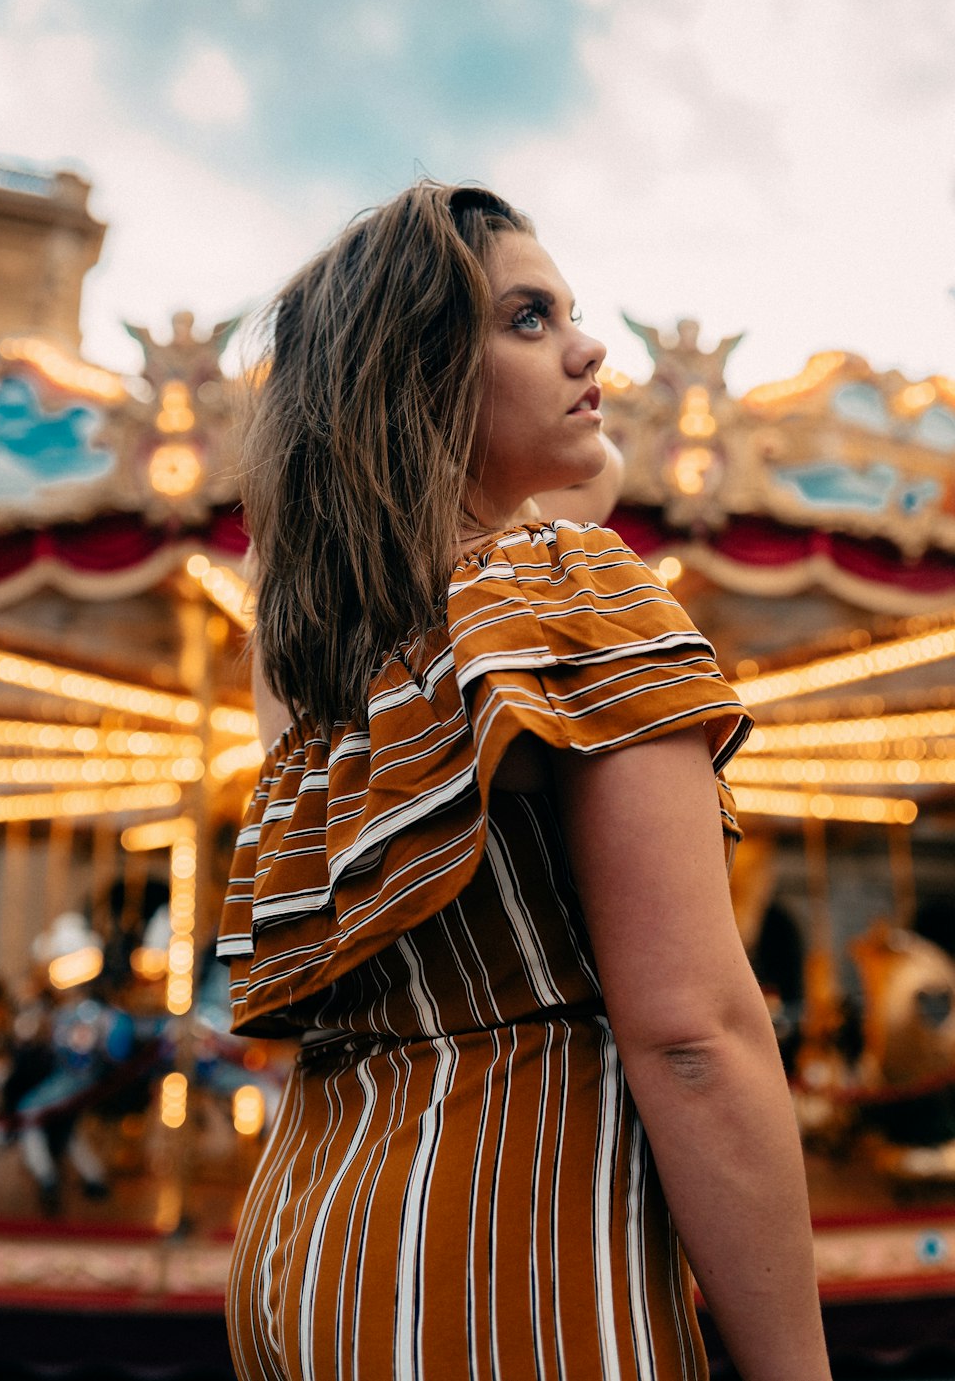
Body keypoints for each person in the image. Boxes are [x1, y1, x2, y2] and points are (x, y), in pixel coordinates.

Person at [218, 181, 830, 1381]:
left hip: (309, 1259)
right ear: (420, 375)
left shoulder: (311, 664)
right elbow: (694, 1037)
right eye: (529, 319)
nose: (588, 345)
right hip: (513, 1253)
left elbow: (534, 491)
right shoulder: (569, 594)